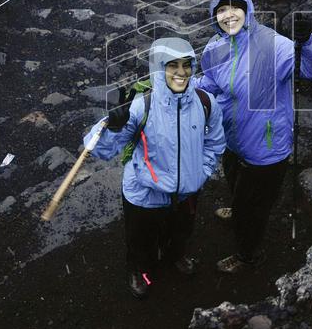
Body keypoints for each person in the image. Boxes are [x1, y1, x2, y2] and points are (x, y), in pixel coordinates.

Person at [196, 0, 312, 273]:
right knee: (235, 183)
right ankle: (237, 208)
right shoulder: (215, 46)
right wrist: (181, 89)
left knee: (253, 209)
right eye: (221, 9)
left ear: (248, 8)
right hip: (232, 140)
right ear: (213, 13)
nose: (228, 14)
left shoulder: (275, 45)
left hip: (266, 147)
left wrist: (307, 41)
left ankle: (248, 255)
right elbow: (209, 82)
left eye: (235, 7)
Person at [83, 37, 226, 298]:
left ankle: (176, 256)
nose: (181, 72)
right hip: (144, 195)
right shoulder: (141, 106)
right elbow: (101, 149)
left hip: (186, 193)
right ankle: (140, 270)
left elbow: (215, 143)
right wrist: (113, 125)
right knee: (141, 241)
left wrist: (200, 172)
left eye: (187, 65)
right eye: (172, 66)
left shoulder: (206, 103)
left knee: (181, 232)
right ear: (159, 69)